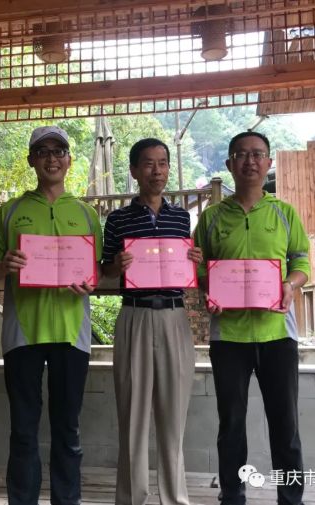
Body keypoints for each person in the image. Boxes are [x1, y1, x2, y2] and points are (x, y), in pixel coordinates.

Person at [0, 125, 103, 505]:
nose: (52, 158)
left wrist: (90, 283)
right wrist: (4, 265)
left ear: (69, 160)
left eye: (59, 151)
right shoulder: (10, 211)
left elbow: (96, 272)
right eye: (43, 151)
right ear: (31, 160)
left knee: (68, 429)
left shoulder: (86, 214)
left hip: (72, 334)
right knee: (23, 430)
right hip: (23, 334)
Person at [193, 131, 310, 505]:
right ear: (229, 163)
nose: (250, 161)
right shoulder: (211, 217)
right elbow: (199, 270)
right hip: (228, 337)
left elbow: (302, 263)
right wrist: (208, 290)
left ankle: (291, 499)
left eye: (258, 154)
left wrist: (290, 284)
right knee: (231, 425)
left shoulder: (284, 213)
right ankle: (232, 496)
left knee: (285, 424)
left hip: (278, 334)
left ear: (268, 162)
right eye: (241, 154)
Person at [102, 138, 202, 505]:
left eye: (162, 163)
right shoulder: (118, 219)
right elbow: (105, 270)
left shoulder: (181, 218)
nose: (156, 171)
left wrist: (194, 260)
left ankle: (175, 498)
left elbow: (187, 269)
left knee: (173, 415)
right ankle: (131, 497)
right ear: (134, 170)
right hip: (135, 314)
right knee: (133, 413)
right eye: (148, 163)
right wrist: (116, 265)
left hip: (175, 316)